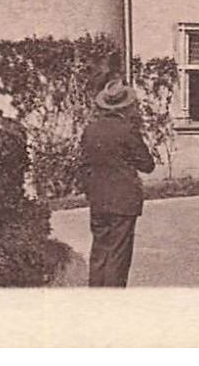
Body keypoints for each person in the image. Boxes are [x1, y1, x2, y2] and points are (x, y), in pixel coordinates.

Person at [78, 80, 156, 287]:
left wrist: (91, 190)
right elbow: (147, 165)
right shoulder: (127, 130)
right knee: (118, 254)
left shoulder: (90, 130)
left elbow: (84, 165)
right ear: (127, 105)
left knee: (99, 250)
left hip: (98, 198)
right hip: (123, 200)